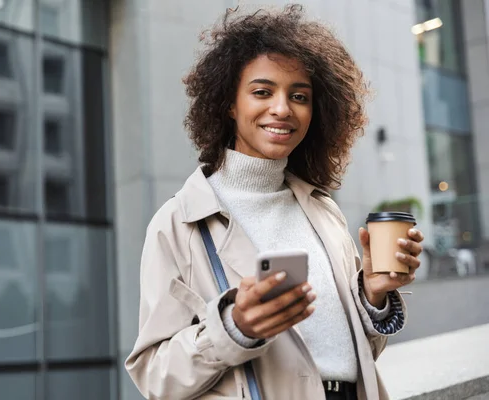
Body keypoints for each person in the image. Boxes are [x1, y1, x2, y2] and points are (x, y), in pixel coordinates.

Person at [126, 5, 424, 400]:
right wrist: (235, 327)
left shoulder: (323, 209)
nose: (282, 109)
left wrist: (372, 295)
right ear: (230, 104)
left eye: (299, 96)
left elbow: (358, 354)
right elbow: (154, 377)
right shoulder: (178, 223)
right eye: (262, 92)